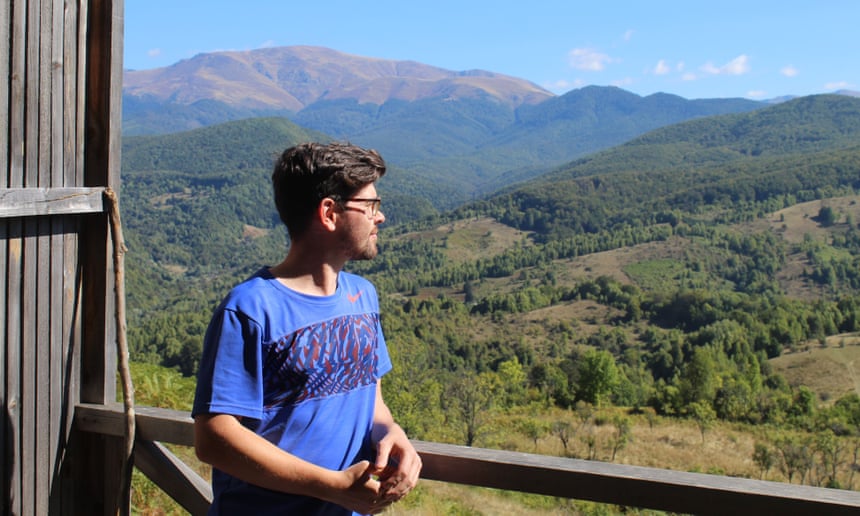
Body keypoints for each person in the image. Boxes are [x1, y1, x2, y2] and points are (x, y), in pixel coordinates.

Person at [192, 142, 422, 515]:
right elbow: (214, 437)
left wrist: (391, 432)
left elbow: (371, 399)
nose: (380, 217)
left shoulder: (363, 296)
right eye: (370, 206)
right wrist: (332, 487)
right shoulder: (250, 309)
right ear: (329, 213)